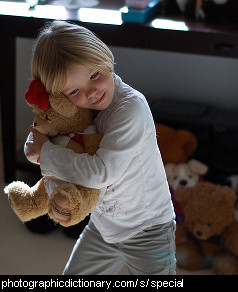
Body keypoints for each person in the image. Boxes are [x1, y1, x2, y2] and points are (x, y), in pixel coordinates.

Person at [25, 20, 176, 275]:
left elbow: (101, 173)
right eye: (74, 90)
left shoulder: (131, 109)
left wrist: (48, 153)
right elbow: (45, 131)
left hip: (148, 229)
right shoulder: (75, 107)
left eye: (95, 75)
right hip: (104, 225)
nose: (92, 92)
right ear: (58, 97)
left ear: (104, 57)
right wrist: (37, 143)